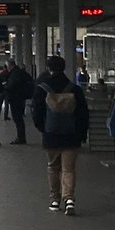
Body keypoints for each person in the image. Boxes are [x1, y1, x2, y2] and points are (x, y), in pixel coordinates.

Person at [31, 55, 90, 215]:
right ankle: (69, 199)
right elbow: (83, 114)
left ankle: (54, 200)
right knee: (68, 169)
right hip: (71, 135)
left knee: (52, 167)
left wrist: (43, 128)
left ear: (49, 69)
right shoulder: (74, 89)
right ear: (63, 68)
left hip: (51, 135)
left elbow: (36, 113)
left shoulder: (42, 88)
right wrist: (82, 134)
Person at [3, 60, 34, 144]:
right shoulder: (20, 72)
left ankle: (21, 138)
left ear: (10, 65)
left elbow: (11, 86)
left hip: (15, 98)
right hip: (21, 98)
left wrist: (5, 86)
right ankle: (21, 137)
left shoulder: (15, 74)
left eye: (7, 66)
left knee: (17, 119)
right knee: (19, 118)